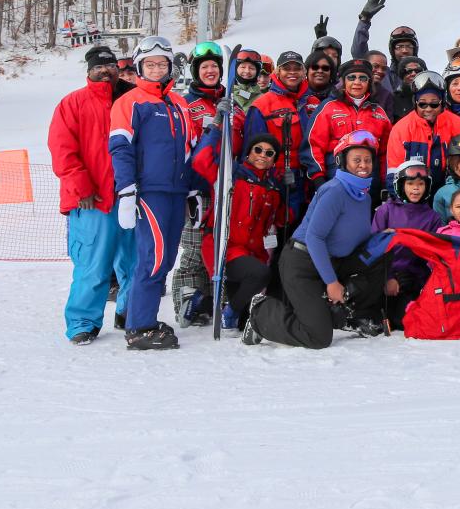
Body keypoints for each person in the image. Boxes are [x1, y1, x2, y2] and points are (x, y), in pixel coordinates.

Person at [244, 131, 389, 348]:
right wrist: (332, 283)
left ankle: (348, 314)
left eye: (367, 160)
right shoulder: (334, 191)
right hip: (303, 264)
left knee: (384, 248)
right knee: (318, 337)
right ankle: (260, 314)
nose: (363, 165)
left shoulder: (364, 195)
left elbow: (358, 239)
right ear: (343, 162)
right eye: (356, 160)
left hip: (334, 261)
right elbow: (315, 237)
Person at [109, 36, 198, 350]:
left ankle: (142, 317)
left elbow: (189, 149)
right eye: (151, 64)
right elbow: (120, 148)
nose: (157, 69)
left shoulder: (179, 103)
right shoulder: (130, 102)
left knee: (167, 258)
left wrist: (193, 189)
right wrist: (126, 191)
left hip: (176, 190)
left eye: (162, 63)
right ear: (139, 67)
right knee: (154, 257)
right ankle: (139, 327)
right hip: (149, 191)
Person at [50, 45, 134, 344]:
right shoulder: (73, 103)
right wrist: (81, 187)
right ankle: (83, 322)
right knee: (93, 266)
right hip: (93, 200)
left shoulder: (133, 100)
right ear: (89, 72)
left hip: (131, 197)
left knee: (135, 263)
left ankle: (131, 313)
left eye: (110, 66)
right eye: (99, 67)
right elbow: (62, 150)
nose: (105, 71)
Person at [188, 132, 284, 332]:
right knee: (260, 274)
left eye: (269, 153)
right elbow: (200, 161)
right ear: (248, 152)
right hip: (225, 247)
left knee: (245, 320)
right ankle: (227, 312)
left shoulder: (273, 188)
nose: (262, 155)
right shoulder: (229, 175)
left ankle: (204, 303)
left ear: (274, 160)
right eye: (258, 149)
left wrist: (292, 189)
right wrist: (215, 128)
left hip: (252, 253)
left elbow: (284, 219)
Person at [173, 41, 226, 326]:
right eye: (204, 67)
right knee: (194, 246)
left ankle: (214, 299)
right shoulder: (187, 105)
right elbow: (183, 147)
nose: (210, 71)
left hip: (225, 187)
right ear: (195, 71)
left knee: (220, 245)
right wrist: (189, 187)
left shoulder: (227, 101)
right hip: (198, 189)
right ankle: (188, 301)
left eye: (214, 67)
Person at [371, 158, 444, 330]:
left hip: (414, 279)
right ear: (400, 185)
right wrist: (388, 277)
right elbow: (373, 248)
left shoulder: (432, 217)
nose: (416, 188)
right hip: (386, 274)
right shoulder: (386, 211)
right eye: (410, 183)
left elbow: (433, 254)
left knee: (406, 319)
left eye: (420, 183)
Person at [243, 50, 311, 226]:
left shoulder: (310, 102)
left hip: (308, 181)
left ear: (304, 72)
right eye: (287, 68)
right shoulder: (262, 106)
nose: (292, 72)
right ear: (278, 72)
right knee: (278, 231)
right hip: (278, 182)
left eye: (297, 68)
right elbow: (253, 153)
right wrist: (270, 178)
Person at [303, 58, 393, 190]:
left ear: (369, 82)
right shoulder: (328, 107)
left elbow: (386, 153)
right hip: (335, 177)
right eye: (351, 77)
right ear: (344, 82)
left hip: (370, 181)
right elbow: (313, 145)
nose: (357, 82)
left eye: (362, 78)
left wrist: (386, 184)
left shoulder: (379, 112)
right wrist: (319, 180)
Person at [385, 71, 460, 189]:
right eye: (422, 104)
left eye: (434, 104)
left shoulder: (458, 125)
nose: (429, 109)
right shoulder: (401, 129)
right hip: (413, 195)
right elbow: (393, 172)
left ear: (442, 102)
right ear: (415, 103)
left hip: (450, 193)